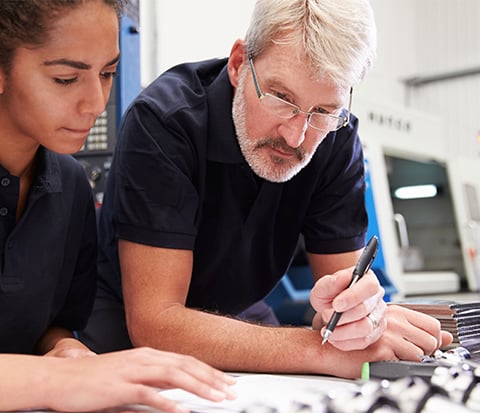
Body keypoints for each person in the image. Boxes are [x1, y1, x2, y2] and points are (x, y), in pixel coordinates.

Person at [80, 0, 453, 379]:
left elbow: (343, 304)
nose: (297, 136)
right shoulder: (165, 122)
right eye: (281, 98)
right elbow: (157, 323)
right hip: (127, 320)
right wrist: (319, 352)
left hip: (241, 312)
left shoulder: (336, 138)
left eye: (323, 111)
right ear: (239, 64)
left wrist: (361, 317)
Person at [0, 0, 235, 413]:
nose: (95, 102)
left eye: (107, 73)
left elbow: (50, 325)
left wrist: (66, 350)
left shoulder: (70, 185)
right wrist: (56, 380)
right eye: (66, 78)